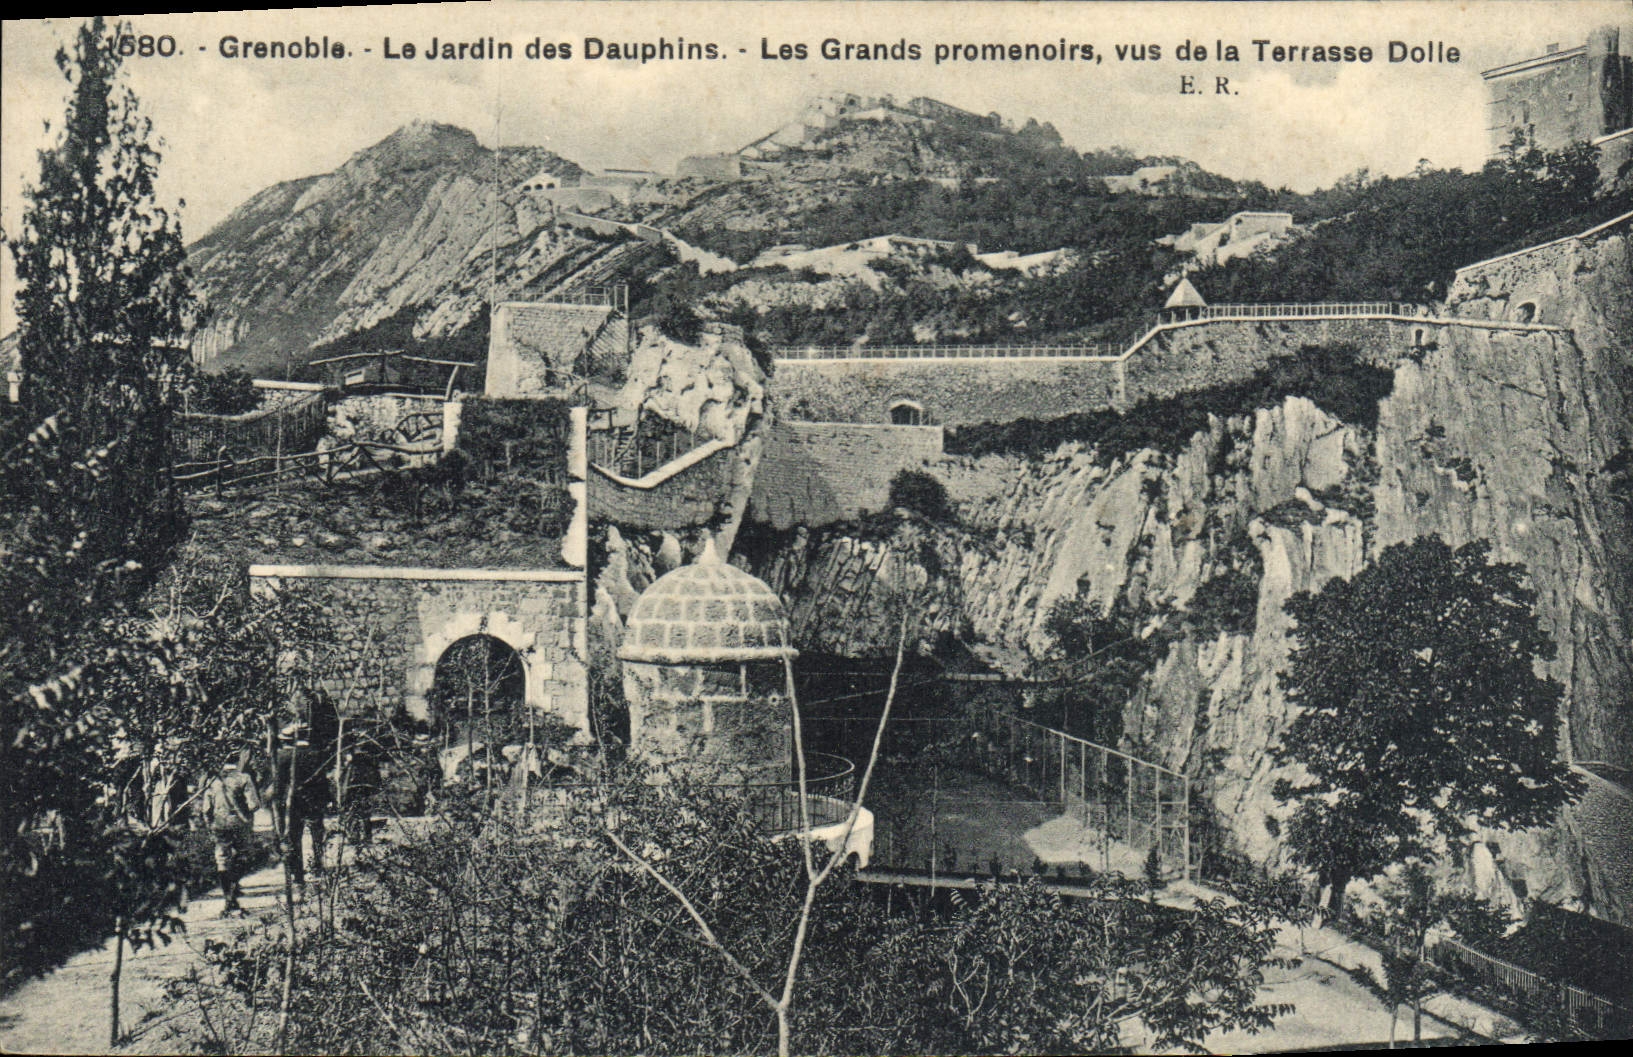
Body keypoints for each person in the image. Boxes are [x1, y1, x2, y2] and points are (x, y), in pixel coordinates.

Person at [272, 725, 333, 890]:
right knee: (317, 835)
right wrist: (328, 799)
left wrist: (277, 801)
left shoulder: (284, 756)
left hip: (295, 803)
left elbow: (279, 785)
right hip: (314, 801)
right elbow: (323, 780)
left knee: (294, 838)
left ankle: (298, 876)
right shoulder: (316, 755)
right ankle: (319, 870)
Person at [201, 748, 261, 917]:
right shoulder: (243, 778)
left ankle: (228, 898)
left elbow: (206, 809)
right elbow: (253, 804)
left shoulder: (213, 781)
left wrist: (209, 824)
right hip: (240, 824)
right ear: (237, 762)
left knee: (222, 860)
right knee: (244, 855)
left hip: (219, 825)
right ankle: (234, 888)